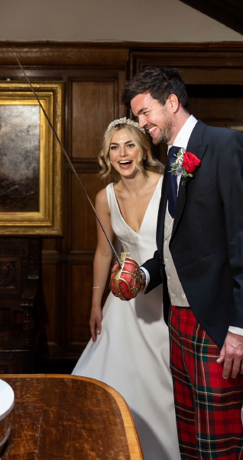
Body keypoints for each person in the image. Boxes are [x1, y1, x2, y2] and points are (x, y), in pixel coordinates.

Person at [114, 67, 243, 459]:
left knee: (219, 442)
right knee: (190, 433)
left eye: (144, 113)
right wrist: (142, 275)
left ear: (171, 102)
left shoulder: (226, 146)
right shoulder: (172, 159)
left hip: (219, 325)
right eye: (137, 115)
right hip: (178, 320)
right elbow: (173, 245)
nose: (141, 124)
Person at [72, 117, 181, 460]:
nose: (123, 153)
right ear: (107, 155)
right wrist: (95, 302)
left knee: (166, 383)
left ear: (144, 149)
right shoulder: (105, 198)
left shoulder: (170, 187)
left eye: (130, 144)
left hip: (167, 299)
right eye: (115, 147)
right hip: (123, 303)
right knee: (118, 382)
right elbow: (105, 251)